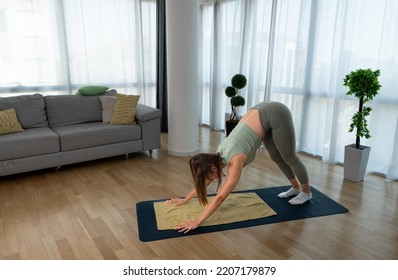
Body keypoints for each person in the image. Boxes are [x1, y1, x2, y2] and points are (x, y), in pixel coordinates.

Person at [166, 101, 312, 233]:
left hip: (275, 112)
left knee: (289, 157)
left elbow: (220, 197)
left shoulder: (235, 160)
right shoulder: (217, 157)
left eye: (210, 176)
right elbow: (205, 181)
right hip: (261, 114)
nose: (211, 181)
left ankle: (306, 193)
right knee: (276, 157)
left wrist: (196, 222)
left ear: (213, 169)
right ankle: (295, 188)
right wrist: (185, 199)